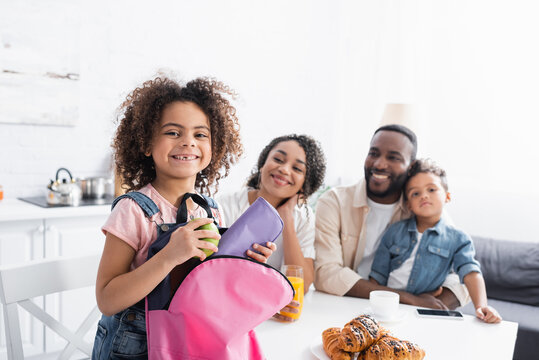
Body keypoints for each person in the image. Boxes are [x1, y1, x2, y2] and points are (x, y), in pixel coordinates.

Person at [92, 76, 276, 359]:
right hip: (132, 349)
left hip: (186, 341)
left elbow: (208, 287)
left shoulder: (211, 210)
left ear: (214, 147)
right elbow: (107, 299)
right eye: (173, 132)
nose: (188, 142)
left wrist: (243, 263)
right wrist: (168, 256)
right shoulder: (133, 210)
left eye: (200, 135)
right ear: (145, 143)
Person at [314, 124, 469, 310]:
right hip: (341, 305)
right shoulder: (334, 202)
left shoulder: (421, 205)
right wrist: (408, 299)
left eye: (393, 157)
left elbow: (463, 275)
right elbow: (326, 274)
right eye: (374, 153)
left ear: (410, 167)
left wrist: (426, 308)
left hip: (399, 313)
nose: (379, 164)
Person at [369, 159, 501, 323]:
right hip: (391, 308)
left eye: (431, 189)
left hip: (423, 312)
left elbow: (470, 272)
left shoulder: (458, 238)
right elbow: (377, 276)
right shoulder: (394, 231)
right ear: (409, 205)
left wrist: (481, 306)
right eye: (415, 193)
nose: (424, 195)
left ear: (447, 196)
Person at [218, 134, 326, 319]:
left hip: (271, 318)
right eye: (278, 159)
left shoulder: (303, 218)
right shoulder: (226, 205)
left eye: (297, 168)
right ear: (262, 164)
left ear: (304, 184)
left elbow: (303, 284)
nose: (284, 169)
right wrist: (267, 298)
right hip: (226, 310)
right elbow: (217, 273)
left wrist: (286, 220)